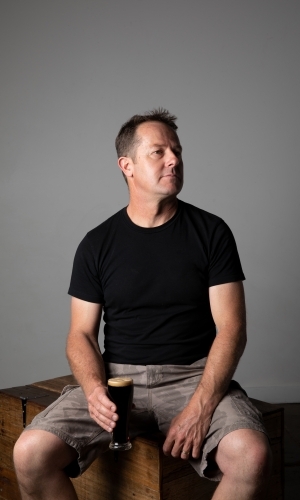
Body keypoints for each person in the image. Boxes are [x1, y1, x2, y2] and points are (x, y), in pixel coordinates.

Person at [13, 109, 272, 500]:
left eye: (177, 150)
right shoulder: (96, 243)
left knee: (251, 455)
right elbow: (80, 334)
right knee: (29, 453)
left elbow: (232, 328)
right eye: (159, 152)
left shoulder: (212, 232)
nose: (174, 160)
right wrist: (94, 388)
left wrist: (202, 407)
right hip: (118, 382)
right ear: (127, 165)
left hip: (192, 378)